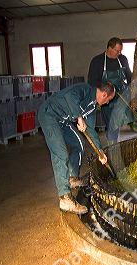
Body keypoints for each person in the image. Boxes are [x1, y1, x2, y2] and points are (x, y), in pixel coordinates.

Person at [38, 82, 116, 214]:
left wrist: (100, 151)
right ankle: (65, 199)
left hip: (63, 121)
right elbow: (70, 97)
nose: (108, 103)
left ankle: (72, 178)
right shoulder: (85, 89)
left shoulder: (92, 107)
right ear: (104, 94)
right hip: (50, 115)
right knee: (61, 153)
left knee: (79, 143)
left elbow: (90, 130)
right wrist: (79, 117)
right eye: (109, 99)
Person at [88, 37, 137, 142]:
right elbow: (92, 81)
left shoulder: (122, 59)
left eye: (120, 50)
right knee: (112, 124)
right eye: (117, 50)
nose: (119, 53)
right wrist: (105, 85)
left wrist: (135, 84)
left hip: (122, 95)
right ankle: (113, 144)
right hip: (108, 99)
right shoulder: (98, 61)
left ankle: (134, 132)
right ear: (109, 48)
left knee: (132, 115)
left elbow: (128, 76)